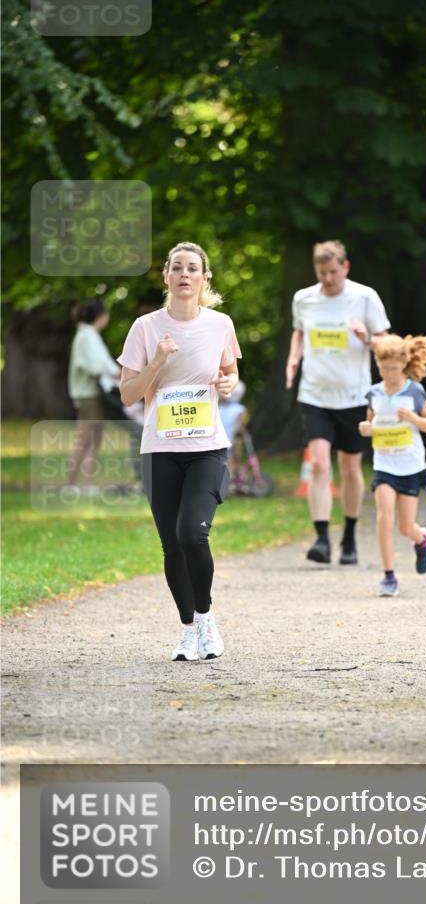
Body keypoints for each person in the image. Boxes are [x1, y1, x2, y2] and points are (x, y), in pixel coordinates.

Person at [118, 241, 241, 662]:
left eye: (192, 268)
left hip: (207, 447)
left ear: (204, 278)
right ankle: (188, 630)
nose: (184, 274)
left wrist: (228, 383)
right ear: (166, 276)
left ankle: (205, 618)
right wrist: (156, 362)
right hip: (159, 449)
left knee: (192, 532)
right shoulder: (145, 327)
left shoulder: (220, 324)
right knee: (172, 545)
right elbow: (128, 394)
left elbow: (230, 373)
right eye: (177, 268)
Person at [286, 239, 390, 565]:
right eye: (322, 273)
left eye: (333, 272)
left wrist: (366, 338)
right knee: (319, 464)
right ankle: (321, 539)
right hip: (315, 394)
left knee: (350, 469)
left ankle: (349, 536)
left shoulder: (365, 297)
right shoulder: (303, 299)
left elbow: (387, 344)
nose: (328, 278)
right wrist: (293, 359)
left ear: (345, 267)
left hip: (354, 396)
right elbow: (299, 332)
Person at [359, 334, 426, 597]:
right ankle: (389, 576)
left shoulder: (414, 391)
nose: (389, 374)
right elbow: (371, 423)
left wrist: (413, 418)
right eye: (384, 369)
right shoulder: (374, 393)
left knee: (405, 527)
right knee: (384, 515)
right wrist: (366, 428)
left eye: (393, 368)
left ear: (404, 364)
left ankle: (421, 540)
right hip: (384, 463)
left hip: (410, 464)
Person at [65, 300, 121, 494]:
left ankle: (86, 484)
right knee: (85, 440)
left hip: (94, 396)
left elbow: (102, 363)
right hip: (88, 396)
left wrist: (117, 373)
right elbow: (95, 365)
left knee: (93, 440)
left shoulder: (90, 335)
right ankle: (72, 484)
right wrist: (117, 373)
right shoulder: (86, 337)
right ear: (100, 316)